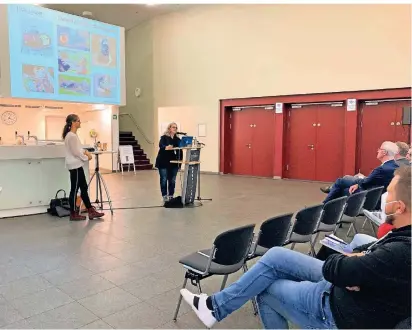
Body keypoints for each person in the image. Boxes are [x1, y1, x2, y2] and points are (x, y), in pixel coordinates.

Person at [181, 166, 411, 329]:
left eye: (388, 192)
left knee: (266, 287)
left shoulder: (400, 251)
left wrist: (354, 266)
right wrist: (358, 263)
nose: (384, 196)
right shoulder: (401, 238)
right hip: (351, 293)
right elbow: (367, 255)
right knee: (276, 256)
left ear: (399, 207)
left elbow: (336, 269)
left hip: (338, 310)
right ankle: (214, 306)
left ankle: (215, 308)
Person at [322, 141, 399, 204]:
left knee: (341, 182)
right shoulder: (397, 167)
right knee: (344, 189)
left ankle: (324, 206)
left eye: (379, 149)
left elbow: (365, 182)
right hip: (381, 197)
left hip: (371, 199)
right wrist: (358, 184)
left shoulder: (381, 169)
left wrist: (358, 181)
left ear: (384, 152)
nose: (377, 150)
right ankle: (328, 209)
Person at [63, 114, 104, 221]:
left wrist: (85, 152)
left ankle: (90, 210)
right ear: (72, 123)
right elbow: (76, 152)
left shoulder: (72, 135)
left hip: (78, 166)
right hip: (75, 166)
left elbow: (78, 149)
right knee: (74, 189)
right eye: (78, 121)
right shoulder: (71, 136)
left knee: (84, 188)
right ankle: (73, 213)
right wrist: (87, 157)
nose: (80, 123)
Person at [155, 122, 182, 202]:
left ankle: (171, 195)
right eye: (173, 127)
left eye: (176, 128)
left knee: (172, 180)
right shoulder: (164, 137)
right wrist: (166, 147)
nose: (175, 129)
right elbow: (161, 145)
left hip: (173, 163)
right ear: (169, 128)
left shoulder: (177, 139)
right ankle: (164, 195)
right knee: (164, 179)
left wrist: (179, 164)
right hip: (163, 161)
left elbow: (180, 151)